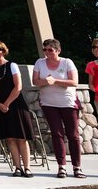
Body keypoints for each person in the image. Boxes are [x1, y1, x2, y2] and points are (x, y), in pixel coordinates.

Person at [32, 38, 86, 179]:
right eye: (45, 50)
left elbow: (74, 82)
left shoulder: (67, 62)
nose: (47, 52)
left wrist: (55, 81)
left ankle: (77, 167)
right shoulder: (39, 62)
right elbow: (35, 81)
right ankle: (61, 167)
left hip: (68, 103)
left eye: (50, 50)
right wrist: (45, 81)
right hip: (49, 103)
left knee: (73, 135)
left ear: (58, 50)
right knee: (57, 134)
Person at [0, 40, 33, 177]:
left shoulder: (12, 65)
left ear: (4, 50)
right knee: (10, 138)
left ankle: (27, 167)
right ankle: (17, 167)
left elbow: (18, 86)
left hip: (16, 105)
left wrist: (6, 103)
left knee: (21, 137)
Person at [84, 38, 98, 122]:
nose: (96, 49)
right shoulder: (91, 65)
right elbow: (91, 84)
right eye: (94, 47)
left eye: (97, 47)